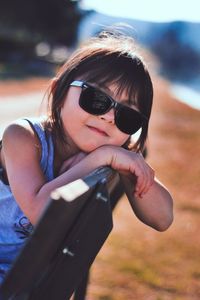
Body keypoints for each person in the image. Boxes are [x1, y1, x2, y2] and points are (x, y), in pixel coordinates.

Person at [0, 28, 173, 285]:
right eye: (96, 98)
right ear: (59, 92)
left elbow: (163, 218)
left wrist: (116, 160)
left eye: (127, 116)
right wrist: (100, 158)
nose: (108, 117)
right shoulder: (22, 137)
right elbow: (41, 213)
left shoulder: (114, 155)